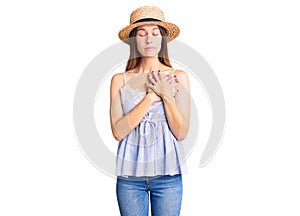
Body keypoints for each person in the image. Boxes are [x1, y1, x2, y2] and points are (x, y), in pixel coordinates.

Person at [110, 6, 190, 216]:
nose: (149, 40)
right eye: (142, 33)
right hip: (130, 180)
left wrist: (166, 94)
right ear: (134, 40)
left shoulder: (178, 77)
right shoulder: (120, 80)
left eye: (155, 33)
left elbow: (181, 133)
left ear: (162, 39)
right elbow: (118, 131)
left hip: (168, 178)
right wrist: (151, 97)